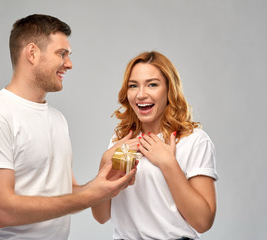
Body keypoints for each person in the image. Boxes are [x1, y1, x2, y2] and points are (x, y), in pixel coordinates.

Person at [0, 14, 136, 240]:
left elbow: (66, 195)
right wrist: (90, 196)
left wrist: (102, 179)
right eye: (61, 54)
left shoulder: (57, 119)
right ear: (32, 53)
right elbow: (3, 211)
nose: (69, 64)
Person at [92, 51, 219, 240]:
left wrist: (168, 164)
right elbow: (101, 216)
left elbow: (203, 222)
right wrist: (105, 162)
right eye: (133, 86)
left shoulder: (193, 141)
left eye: (152, 84)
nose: (141, 94)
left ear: (169, 89)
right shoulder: (122, 142)